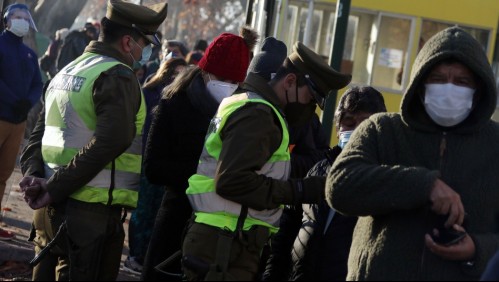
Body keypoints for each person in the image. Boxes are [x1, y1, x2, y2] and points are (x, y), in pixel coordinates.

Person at [327, 26, 499, 280]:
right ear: (419, 85)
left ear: (479, 90)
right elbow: (339, 186)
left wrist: (479, 249)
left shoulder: (495, 145)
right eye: (438, 79)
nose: (449, 90)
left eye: (462, 82)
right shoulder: (382, 129)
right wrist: (423, 185)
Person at [18, 0, 168, 280]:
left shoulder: (70, 70)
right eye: (146, 43)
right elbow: (112, 139)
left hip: (49, 210)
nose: (147, 51)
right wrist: (54, 186)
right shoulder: (117, 75)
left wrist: (33, 176)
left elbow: (38, 135)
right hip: (88, 216)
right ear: (127, 42)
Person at [181, 41, 351, 281]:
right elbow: (232, 181)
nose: (309, 108)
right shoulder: (258, 113)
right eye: (310, 99)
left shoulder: (250, 103)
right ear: (290, 81)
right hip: (225, 242)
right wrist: (301, 189)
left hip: (228, 238)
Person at [141, 27, 258, 281]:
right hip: (175, 221)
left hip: (217, 234)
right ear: (205, 71)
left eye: (234, 82)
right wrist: (205, 173)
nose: (227, 87)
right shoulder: (173, 103)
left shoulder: (243, 112)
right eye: (222, 79)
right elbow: (153, 167)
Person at [285, 86, 386, 281]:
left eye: (365, 123)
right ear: (338, 128)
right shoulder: (317, 170)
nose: (356, 130)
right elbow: (287, 229)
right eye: (348, 122)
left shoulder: (383, 180)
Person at [123, 57, 187, 275]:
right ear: (166, 72)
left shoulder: (180, 97)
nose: (177, 77)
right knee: (142, 210)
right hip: (143, 157)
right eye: (175, 72)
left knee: (155, 211)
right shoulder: (150, 92)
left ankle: (145, 254)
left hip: (163, 161)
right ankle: (135, 254)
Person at [0, 3, 43, 241]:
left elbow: (37, 83)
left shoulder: (29, 54)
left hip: (18, 122)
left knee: (3, 173)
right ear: (7, 20)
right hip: (1, 116)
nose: (22, 21)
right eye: (17, 17)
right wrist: (14, 99)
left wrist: (29, 101)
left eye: (25, 18)